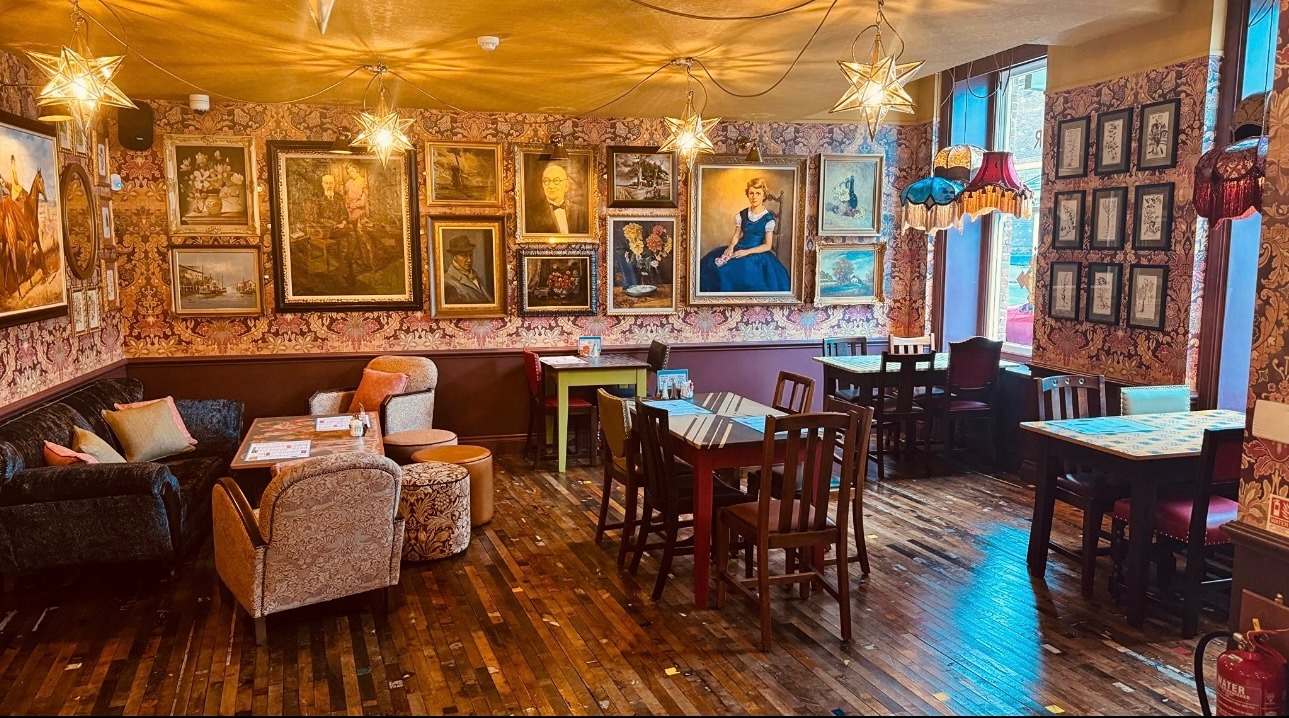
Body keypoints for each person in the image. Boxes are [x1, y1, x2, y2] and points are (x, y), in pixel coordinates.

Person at [698, 177, 791, 293]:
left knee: (732, 272)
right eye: (751, 193)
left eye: (758, 193)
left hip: (756, 253)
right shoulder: (742, 214)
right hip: (739, 248)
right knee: (712, 266)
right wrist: (731, 246)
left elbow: (767, 246)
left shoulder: (768, 219)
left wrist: (746, 252)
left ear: (764, 196)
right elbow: (736, 235)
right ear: (747, 194)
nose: (754, 197)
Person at [526, 162, 587, 234]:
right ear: (542, 185)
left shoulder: (580, 212)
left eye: (556, 181)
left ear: (566, 186)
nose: (551, 186)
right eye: (547, 181)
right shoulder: (530, 213)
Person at [441, 234, 493, 304]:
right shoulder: (447, 282)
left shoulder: (473, 276)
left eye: (471, 255)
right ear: (453, 257)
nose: (469, 260)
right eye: (464, 255)